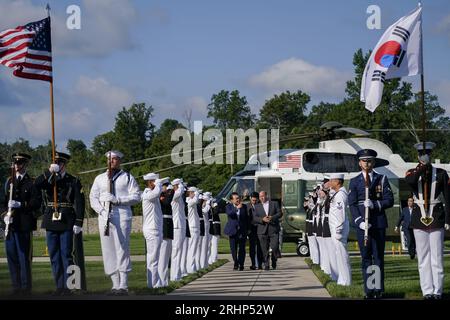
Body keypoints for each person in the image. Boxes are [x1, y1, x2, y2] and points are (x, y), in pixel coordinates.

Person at [89, 150, 140, 295]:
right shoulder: (99, 178)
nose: (112, 161)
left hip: (122, 215)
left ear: (120, 161)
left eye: (115, 159)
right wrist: (101, 210)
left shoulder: (127, 177)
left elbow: (137, 196)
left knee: (122, 248)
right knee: (108, 249)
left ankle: (123, 284)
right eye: (110, 159)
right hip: (104, 217)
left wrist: (118, 200)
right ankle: (115, 284)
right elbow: (93, 198)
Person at [34, 152, 85, 295]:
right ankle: (59, 286)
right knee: (54, 255)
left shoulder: (73, 181)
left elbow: (80, 202)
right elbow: (36, 185)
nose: (58, 165)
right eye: (55, 163)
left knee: (66, 254)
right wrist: (49, 172)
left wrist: (79, 221)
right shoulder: (49, 179)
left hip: (67, 220)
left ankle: (69, 286)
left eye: (60, 163)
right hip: (51, 220)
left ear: (64, 165)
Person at [405, 142, 450, 300]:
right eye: (422, 155)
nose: (425, 157)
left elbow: (448, 197)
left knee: (437, 256)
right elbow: (410, 182)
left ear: (431, 155)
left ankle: (438, 290)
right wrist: (423, 167)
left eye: (428, 155)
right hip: (419, 218)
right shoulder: (412, 172)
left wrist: (448, 218)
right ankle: (427, 291)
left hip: (436, 216)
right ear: (418, 156)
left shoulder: (441, 173)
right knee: (423, 257)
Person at [348, 149, 394, 299]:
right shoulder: (354, 181)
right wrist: (359, 222)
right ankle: (369, 289)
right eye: (364, 161)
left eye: (369, 161)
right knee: (366, 257)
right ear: (359, 163)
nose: (367, 163)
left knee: (378, 257)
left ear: (373, 162)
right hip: (363, 225)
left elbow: (389, 200)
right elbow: (352, 204)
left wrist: (375, 204)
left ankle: (378, 289)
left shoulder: (382, 179)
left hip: (378, 223)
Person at [3, 153, 41, 295]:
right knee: (11, 256)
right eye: (15, 163)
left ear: (25, 164)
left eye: (20, 163)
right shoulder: (9, 181)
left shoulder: (31, 182)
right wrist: (4, 216)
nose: (17, 166)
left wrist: (21, 204)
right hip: (10, 225)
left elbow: (37, 203)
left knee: (24, 256)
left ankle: (26, 287)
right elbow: (2, 202)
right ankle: (16, 286)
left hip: (24, 225)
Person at [328, 173, 352, 286]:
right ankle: (342, 279)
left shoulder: (341, 195)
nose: (330, 182)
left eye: (332, 180)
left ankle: (346, 281)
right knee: (339, 254)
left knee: (342, 255)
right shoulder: (337, 193)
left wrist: (339, 229)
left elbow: (341, 214)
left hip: (339, 229)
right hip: (336, 228)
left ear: (338, 181)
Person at [141, 173, 163, 288]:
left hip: (155, 229)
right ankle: (152, 285)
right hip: (152, 230)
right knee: (153, 258)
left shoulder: (151, 194)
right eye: (155, 181)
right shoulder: (148, 194)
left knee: (154, 258)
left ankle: (156, 282)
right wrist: (158, 184)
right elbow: (156, 193)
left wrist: (157, 184)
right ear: (151, 182)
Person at [253, 191, 281, 270]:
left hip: (273, 229)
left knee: (275, 247)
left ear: (266, 196)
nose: (261, 198)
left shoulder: (274, 204)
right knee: (264, 249)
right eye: (260, 196)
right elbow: (255, 218)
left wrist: (272, 217)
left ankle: (274, 259)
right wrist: (262, 219)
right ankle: (266, 264)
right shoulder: (257, 206)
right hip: (262, 230)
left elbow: (279, 213)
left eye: (263, 196)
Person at [224, 192, 248, 270]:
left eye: (238, 198)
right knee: (233, 249)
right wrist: (237, 208)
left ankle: (241, 264)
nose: (238, 199)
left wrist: (247, 229)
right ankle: (235, 262)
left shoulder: (244, 206)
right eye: (236, 198)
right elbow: (230, 214)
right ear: (231, 200)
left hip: (242, 231)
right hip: (232, 230)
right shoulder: (229, 206)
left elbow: (246, 218)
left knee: (242, 248)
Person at [157, 178, 173, 287]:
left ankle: (164, 280)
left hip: (168, 224)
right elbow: (167, 202)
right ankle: (162, 280)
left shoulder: (165, 194)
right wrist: (167, 193)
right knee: (163, 254)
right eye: (165, 186)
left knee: (166, 254)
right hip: (164, 224)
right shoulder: (161, 195)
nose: (167, 188)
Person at [170, 178, 185, 282]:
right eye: (180, 184)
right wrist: (180, 185)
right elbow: (180, 190)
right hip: (176, 226)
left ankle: (177, 274)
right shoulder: (174, 195)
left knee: (179, 251)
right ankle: (174, 276)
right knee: (176, 251)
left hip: (180, 225)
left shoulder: (177, 195)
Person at [247, 192, 263, 270]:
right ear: (250, 198)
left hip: (260, 228)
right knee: (252, 248)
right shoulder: (247, 206)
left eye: (255, 200)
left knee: (260, 247)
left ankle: (260, 263)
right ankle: (253, 263)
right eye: (253, 200)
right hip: (251, 229)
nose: (254, 201)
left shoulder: (261, 205)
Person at [186, 186, 200, 273]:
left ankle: (192, 266)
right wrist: (197, 193)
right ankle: (190, 268)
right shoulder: (189, 201)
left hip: (194, 226)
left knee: (194, 248)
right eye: (191, 193)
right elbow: (195, 200)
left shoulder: (191, 201)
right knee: (192, 248)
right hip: (192, 226)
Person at [200, 192, 212, 269]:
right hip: (203, 224)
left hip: (206, 224)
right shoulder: (201, 205)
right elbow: (205, 210)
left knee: (206, 245)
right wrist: (207, 204)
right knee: (203, 245)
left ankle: (205, 262)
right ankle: (202, 263)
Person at [208, 198, 221, 265]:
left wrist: (213, 206)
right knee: (210, 244)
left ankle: (214, 259)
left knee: (214, 243)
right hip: (210, 225)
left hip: (215, 226)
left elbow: (216, 212)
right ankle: (210, 259)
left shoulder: (215, 205)